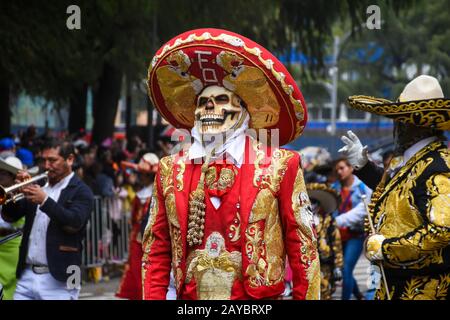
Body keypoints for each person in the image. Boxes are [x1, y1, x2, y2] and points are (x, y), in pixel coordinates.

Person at [142, 28, 320, 300]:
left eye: (221, 100)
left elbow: (302, 245)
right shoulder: (170, 169)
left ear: (244, 112)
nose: (208, 110)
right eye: (202, 103)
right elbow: (156, 249)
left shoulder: (281, 165)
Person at [339, 75, 450, 300]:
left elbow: (443, 229)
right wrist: (363, 166)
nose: (395, 126)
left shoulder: (439, 165)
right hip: (395, 284)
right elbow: (400, 192)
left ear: (410, 125)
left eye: (398, 120)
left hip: (424, 289)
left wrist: (387, 248)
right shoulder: (416, 159)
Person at [1, 139, 94, 300]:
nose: (47, 165)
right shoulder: (40, 186)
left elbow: (74, 222)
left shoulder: (82, 191)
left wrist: (44, 201)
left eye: (52, 160)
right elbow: (10, 216)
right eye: (44, 160)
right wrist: (14, 194)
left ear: (70, 159)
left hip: (64, 277)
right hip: (27, 274)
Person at [116, 153, 159, 300]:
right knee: (136, 271)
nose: (140, 177)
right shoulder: (140, 195)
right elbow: (133, 219)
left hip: (154, 240)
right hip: (138, 240)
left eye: (144, 174)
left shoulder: (156, 194)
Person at [331, 158, 372, 300]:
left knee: (346, 268)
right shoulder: (335, 187)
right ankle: (358, 295)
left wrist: (335, 221)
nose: (339, 171)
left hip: (355, 234)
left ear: (351, 168)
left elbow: (362, 211)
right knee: (344, 269)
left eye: (342, 168)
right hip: (338, 235)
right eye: (337, 169)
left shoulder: (362, 187)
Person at [306, 183, 343, 300]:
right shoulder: (302, 222)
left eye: (314, 202)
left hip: (326, 264)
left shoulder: (328, 221)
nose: (311, 206)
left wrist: (338, 266)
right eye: (309, 202)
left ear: (319, 204)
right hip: (308, 264)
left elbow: (336, 243)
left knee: (325, 291)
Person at [0, 157, 25, 300]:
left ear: (13, 177)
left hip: (13, 250)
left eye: (3, 173)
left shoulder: (22, 197)